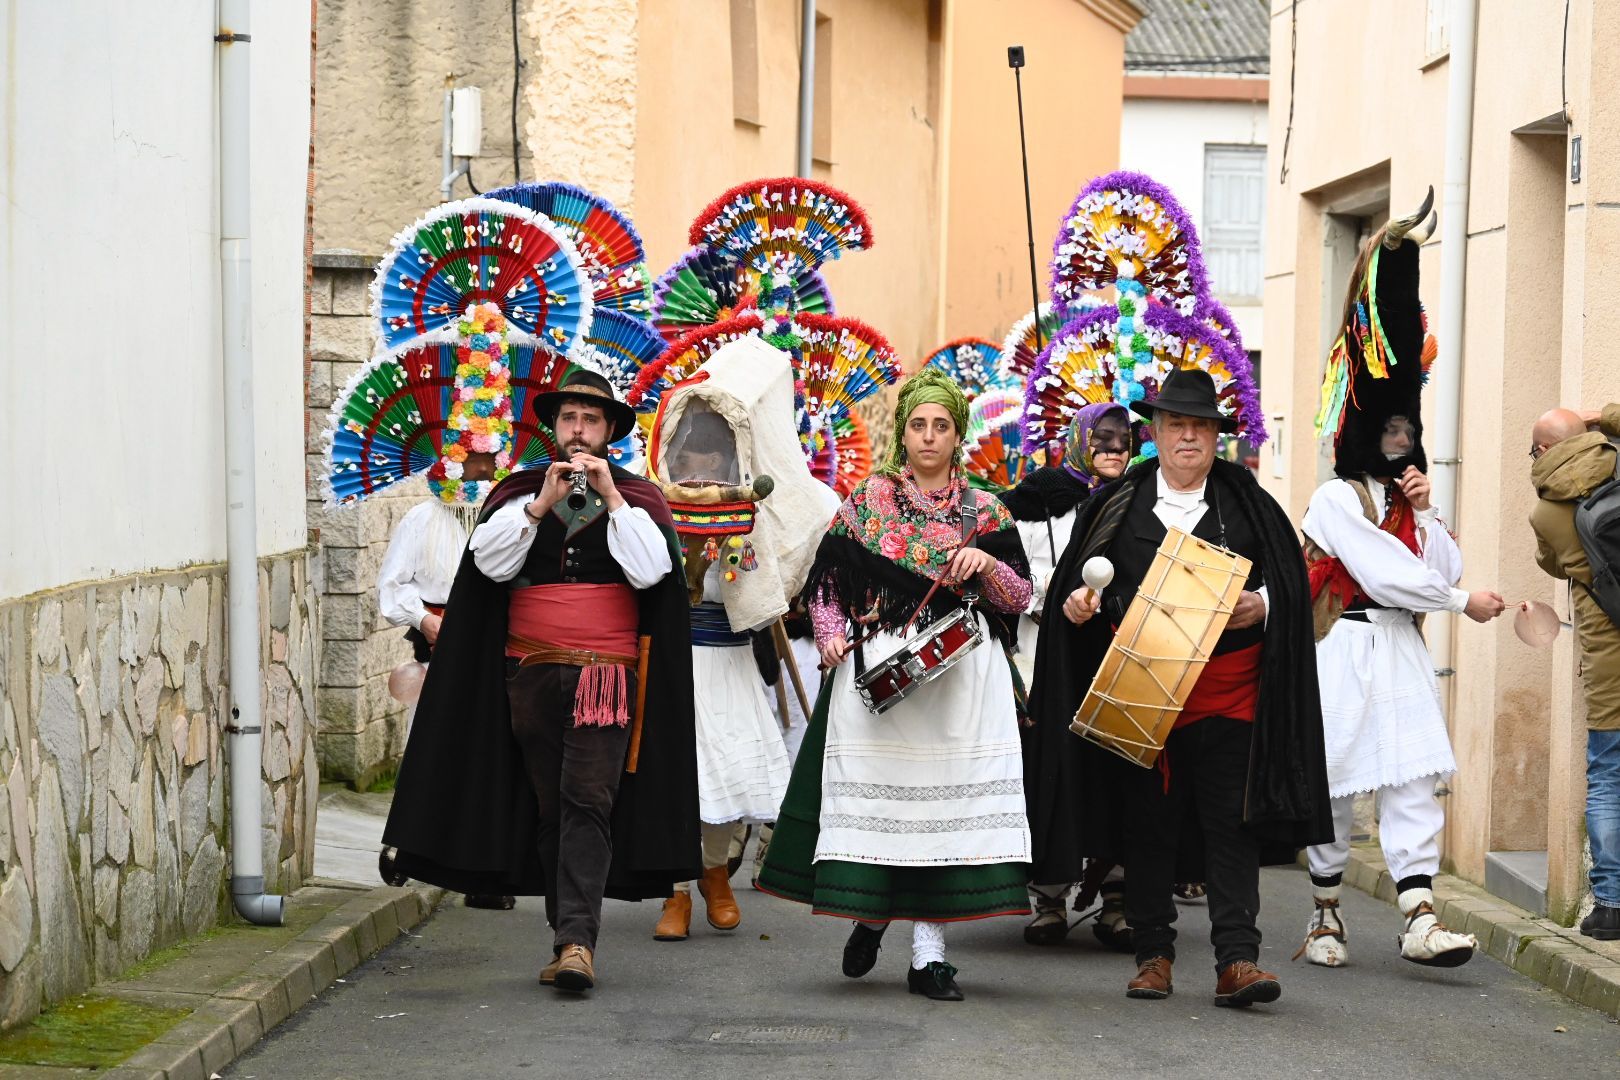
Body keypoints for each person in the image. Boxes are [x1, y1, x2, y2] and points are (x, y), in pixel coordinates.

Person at [380, 369, 701, 995]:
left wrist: (613, 500)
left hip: (605, 678)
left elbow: (652, 573)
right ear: (554, 428)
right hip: (527, 674)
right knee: (552, 807)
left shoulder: (639, 500)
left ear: (610, 431)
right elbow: (489, 564)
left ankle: (578, 944)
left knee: (588, 800)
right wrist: (539, 506)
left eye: (591, 420)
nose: (578, 430)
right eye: (568, 420)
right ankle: (567, 936)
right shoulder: (519, 493)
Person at [1029, 367, 1332, 1008]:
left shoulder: (1249, 503)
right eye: (1176, 425)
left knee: (1231, 827)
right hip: (1138, 692)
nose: (1188, 437)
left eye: (1201, 426)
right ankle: (1153, 957)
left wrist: (1265, 605)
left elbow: (1291, 582)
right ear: (1157, 433)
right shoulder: (1117, 503)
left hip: (1228, 693)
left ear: (1217, 437)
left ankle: (1238, 962)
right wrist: (1079, 608)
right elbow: (1072, 598)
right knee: (1148, 827)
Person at [757, 367, 1034, 1002]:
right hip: (881, 678)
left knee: (942, 817)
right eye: (918, 425)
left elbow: (1018, 596)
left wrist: (987, 562)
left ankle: (929, 953)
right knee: (885, 807)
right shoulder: (869, 499)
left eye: (941, 426)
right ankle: (873, 913)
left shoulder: (986, 508)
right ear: (903, 434)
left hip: (964, 681)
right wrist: (828, 633)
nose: (929, 437)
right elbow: (827, 579)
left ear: (957, 433)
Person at [1300, 196, 1499, 967]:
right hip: (1343, 647)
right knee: (1338, 784)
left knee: (1413, 773)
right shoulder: (1334, 499)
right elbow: (1395, 576)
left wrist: (1429, 511)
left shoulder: (1404, 498)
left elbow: (1438, 566)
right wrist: (1459, 603)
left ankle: (1418, 915)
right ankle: (1323, 916)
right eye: (1388, 429)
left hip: (1400, 650)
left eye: (1404, 429)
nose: (1399, 438)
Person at [649, 408, 793, 941]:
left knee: (727, 772)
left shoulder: (749, 513)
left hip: (729, 658)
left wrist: (738, 541)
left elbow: (760, 594)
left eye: (712, 457)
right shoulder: (651, 508)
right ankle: (678, 891)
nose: (700, 469)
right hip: (672, 659)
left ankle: (715, 874)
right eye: (689, 457)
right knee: (679, 776)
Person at [998, 403, 1134, 948]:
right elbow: (1009, 577)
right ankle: (1049, 898)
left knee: (1114, 770)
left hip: (1113, 656)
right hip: (1046, 659)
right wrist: (1051, 597)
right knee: (1050, 771)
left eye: (1124, 442)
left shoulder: (1135, 503)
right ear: (1079, 440)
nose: (1114, 451)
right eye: (1102, 439)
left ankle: (1119, 899)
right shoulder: (1035, 504)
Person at [1529, 405, 1620, 941]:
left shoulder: (1545, 510)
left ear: (1542, 451)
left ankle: (1610, 905)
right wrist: (1603, 418)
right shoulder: (1615, 462)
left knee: (1608, 774)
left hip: (1608, 656)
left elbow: (1551, 564)